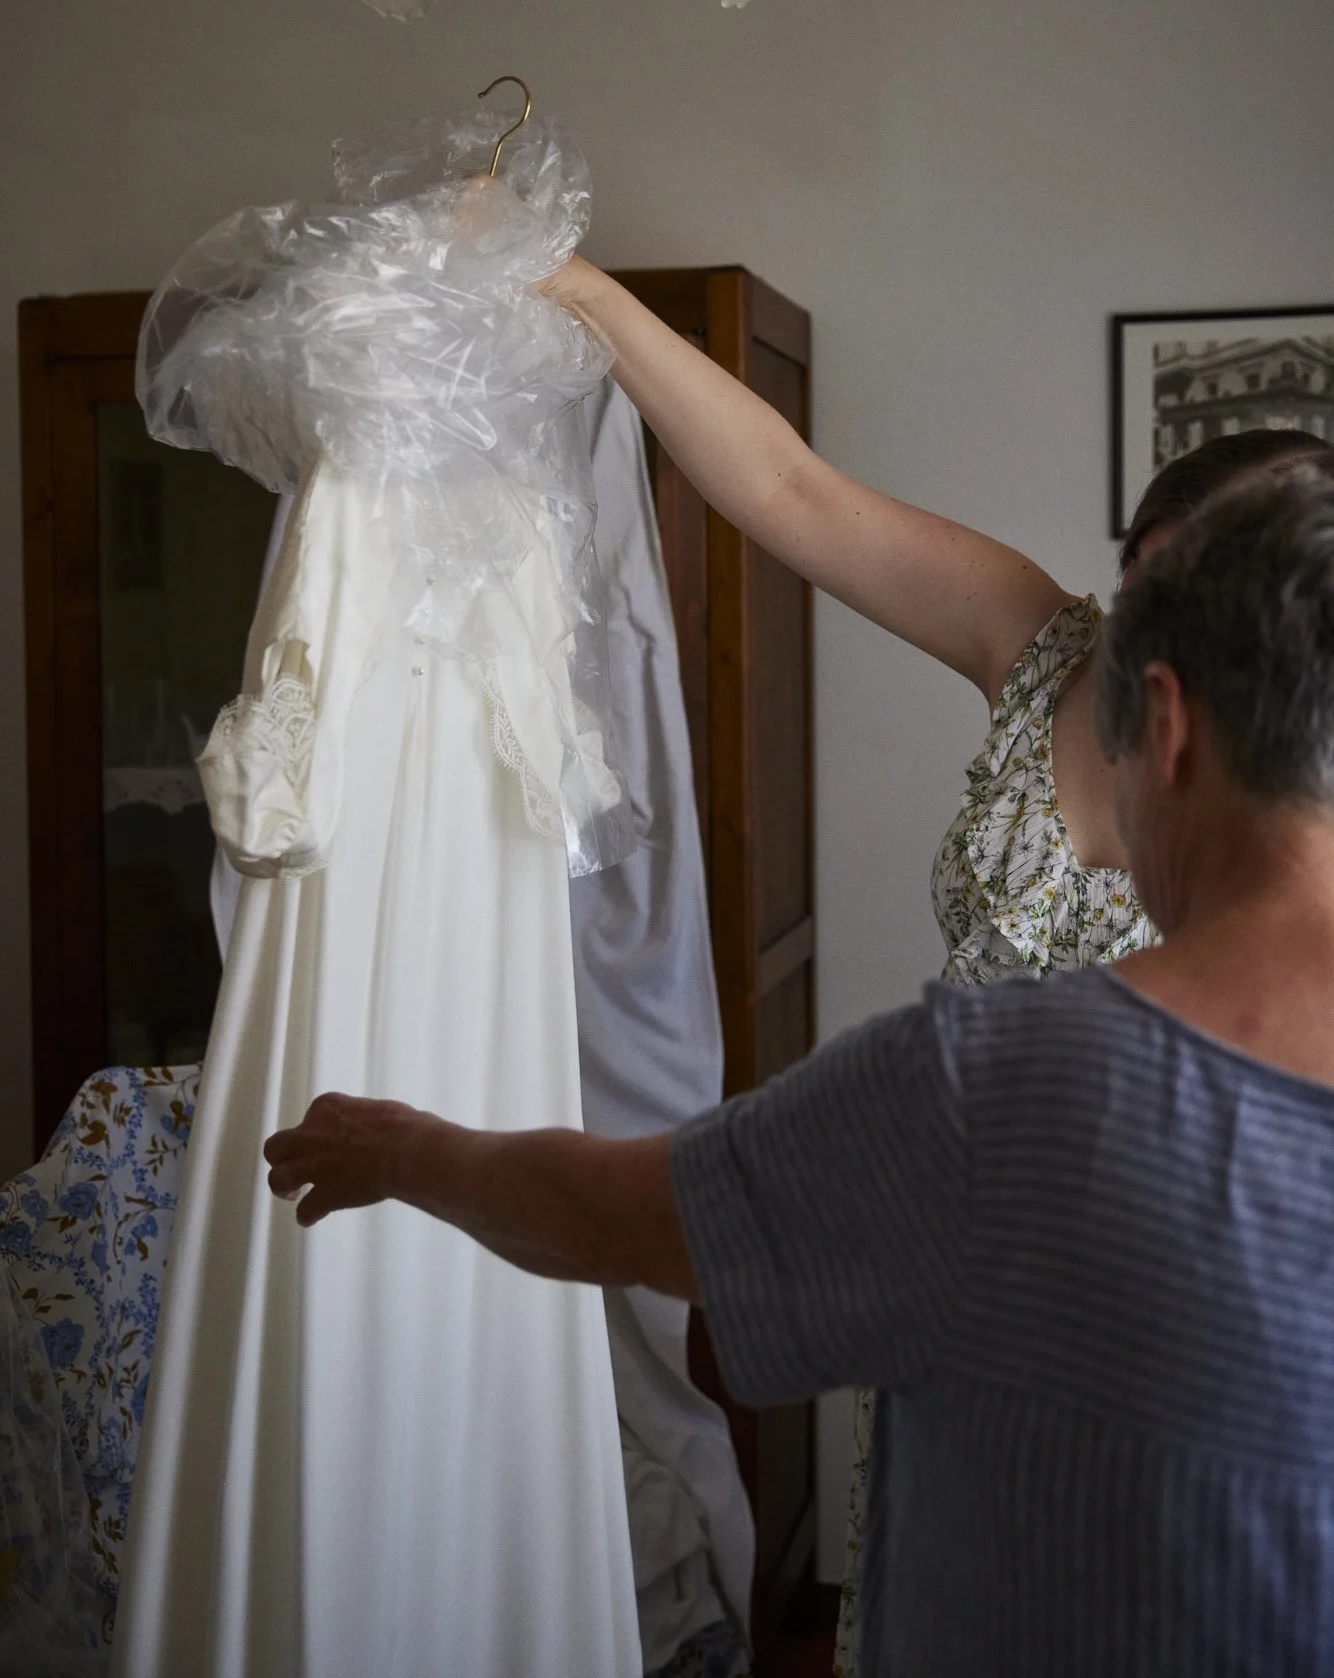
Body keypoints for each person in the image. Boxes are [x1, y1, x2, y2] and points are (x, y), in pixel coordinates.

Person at [269, 456, 1334, 1676]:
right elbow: (790, 492)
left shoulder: (989, 1086)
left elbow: (616, 1223)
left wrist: (402, 1147)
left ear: (1173, 724)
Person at [530, 259, 1327, 1665]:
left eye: (1184, 593)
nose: (1142, 610)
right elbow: (786, 489)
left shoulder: (1298, 784)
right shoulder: (1039, 644)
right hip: (947, 1200)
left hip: (1162, 1262)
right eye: (1136, 574)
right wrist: (574, 286)